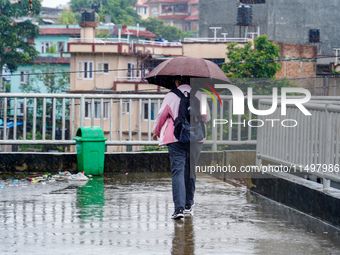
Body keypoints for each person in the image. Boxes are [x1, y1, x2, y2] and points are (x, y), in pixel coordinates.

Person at [152, 76, 211, 219]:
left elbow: (161, 116)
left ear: (177, 81)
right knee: (190, 170)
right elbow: (207, 117)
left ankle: (178, 209)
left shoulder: (171, 96)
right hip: (196, 138)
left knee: (178, 171)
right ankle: (188, 205)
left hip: (175, 137)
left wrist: (156, 132)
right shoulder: (199, 94)